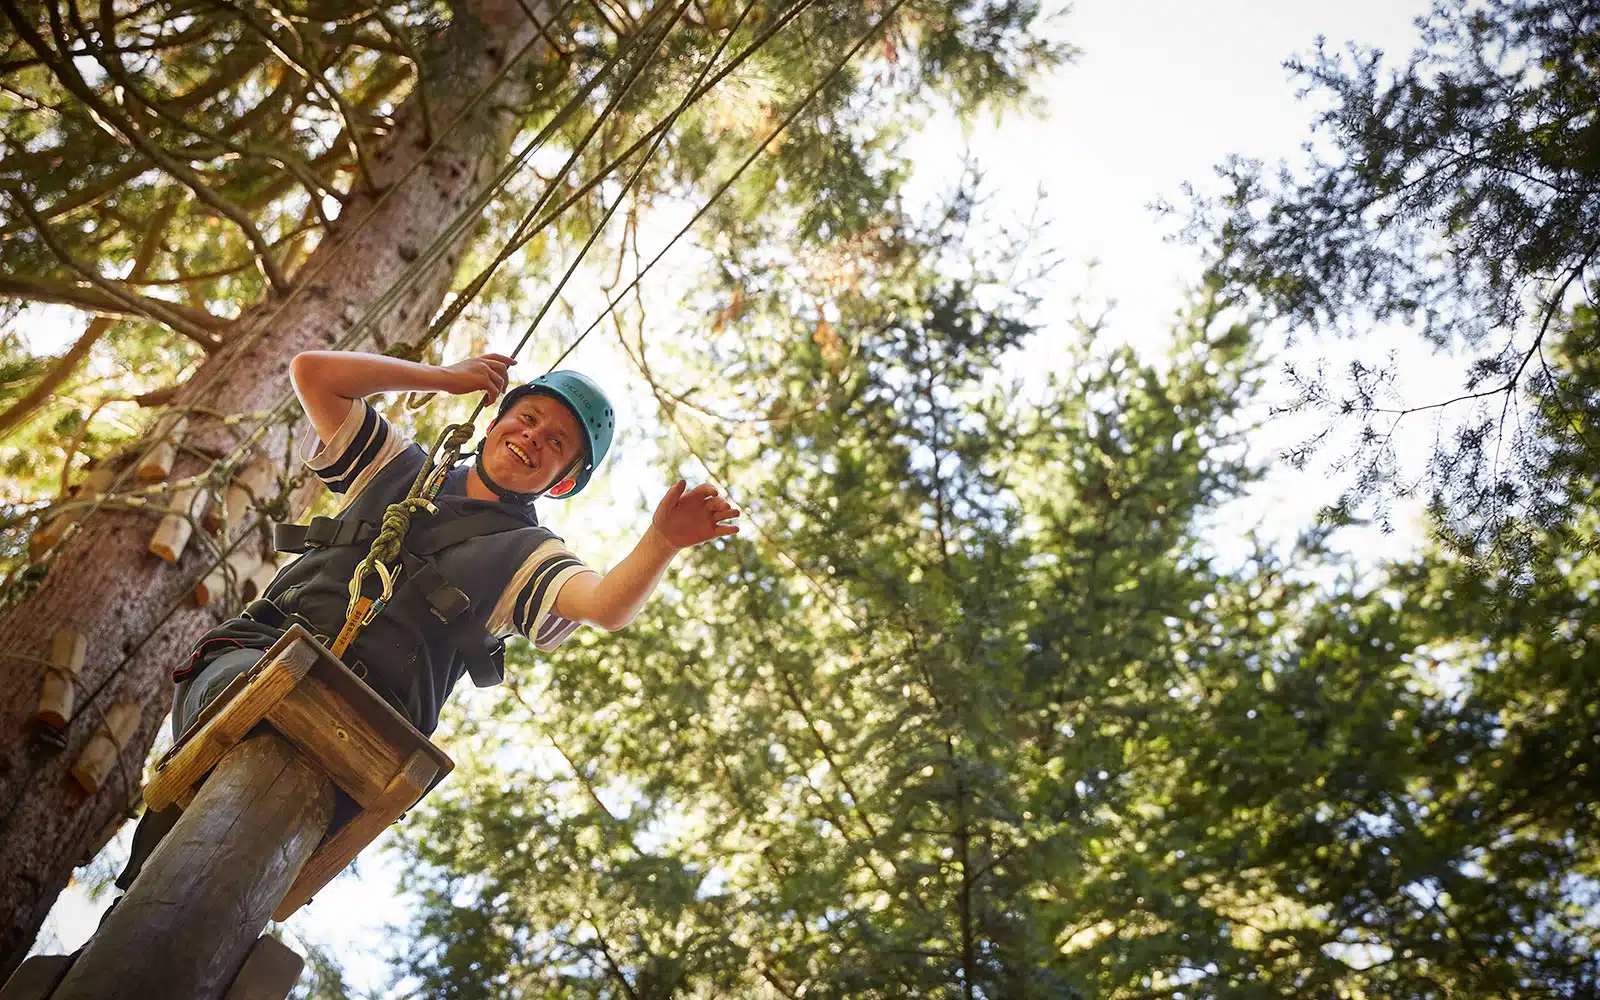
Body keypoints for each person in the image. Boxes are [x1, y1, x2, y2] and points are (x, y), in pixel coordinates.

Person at [116, 348, 739, 891]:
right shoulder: (397, 467)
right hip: (255, 659)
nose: (532, 438)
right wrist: (446, 378)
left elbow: (604, 605)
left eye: (556, 444)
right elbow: (314, 373)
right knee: (225, 759)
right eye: (527, 418)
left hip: (370, 727)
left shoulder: (530, 555)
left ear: (561, 481)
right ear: (496, 421)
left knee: (244, 854)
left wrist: (661, 541)